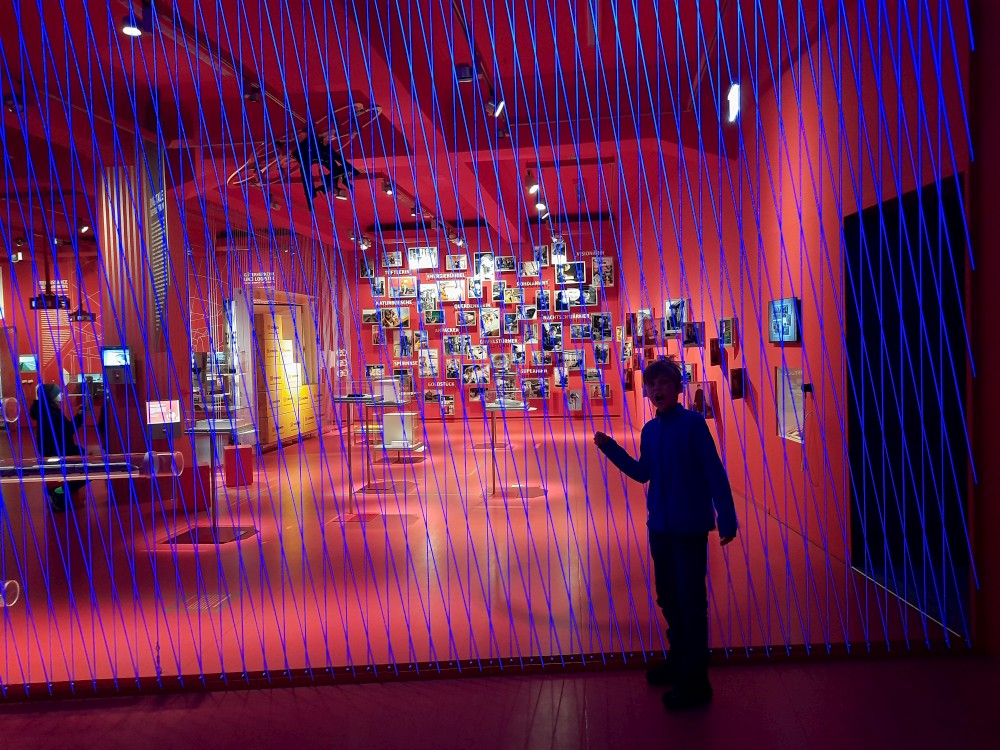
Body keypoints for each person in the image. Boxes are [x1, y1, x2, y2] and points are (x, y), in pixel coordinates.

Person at [593, 357, 737, 710]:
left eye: (664, 383)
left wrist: (727, 518)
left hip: (689, 528)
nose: (657, 389)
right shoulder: (650, 430)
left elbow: (714, 471)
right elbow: (643, 473)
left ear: (677, 388)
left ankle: (696, 681)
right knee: (669, 599)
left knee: (691, 603)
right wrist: (610, 448)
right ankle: (679, 662)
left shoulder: (693, 424)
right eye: (652, 384)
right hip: (660, 527)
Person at [29, 383, 89, 512]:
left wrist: (79, 416)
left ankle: (60, 493)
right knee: (88, 470)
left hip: (56, 452)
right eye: (57, 393)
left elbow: (66, 430)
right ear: (51, 396)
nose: (61, 395)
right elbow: (67, 431)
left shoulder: (48, 411)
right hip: (58, 453)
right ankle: (57, 491)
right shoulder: (51, 413)